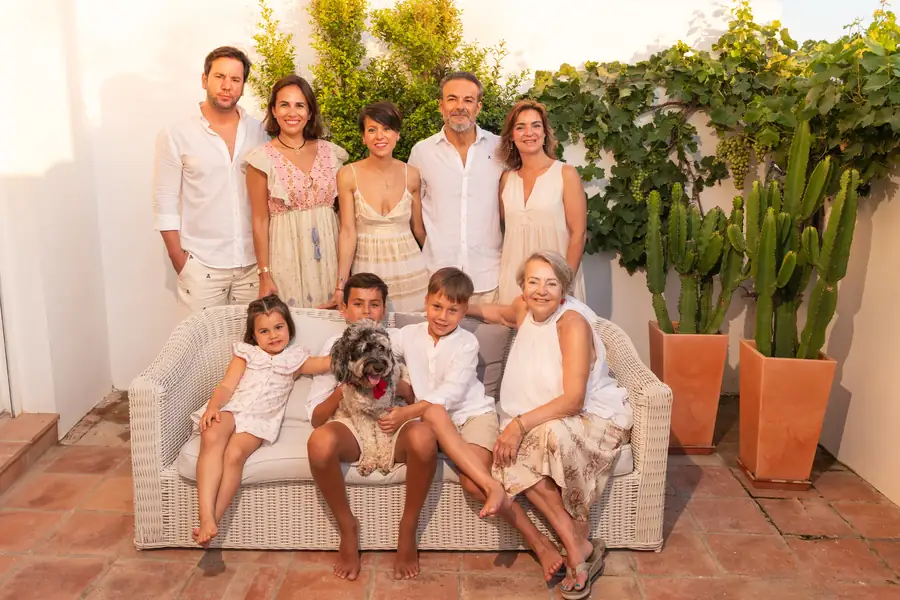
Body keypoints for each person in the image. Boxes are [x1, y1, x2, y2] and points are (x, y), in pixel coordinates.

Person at [467, 250, 632, 600]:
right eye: (533, 282)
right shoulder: (523, 309)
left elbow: (573, 400)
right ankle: (576, 545)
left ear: (564, 289)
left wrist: (518, 425)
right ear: (522, 288)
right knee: (515, 448)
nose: (541, 291)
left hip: (589, 416)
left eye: (551, 283)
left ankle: (575, 543)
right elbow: (498, 312)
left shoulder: (572, 323)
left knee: (542, 437)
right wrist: (460, 306)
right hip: (537, 419)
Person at [387, 267, 567, 580]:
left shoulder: (466, 343)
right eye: (436, 307)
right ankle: (493, 487)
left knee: (472, 483)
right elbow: (374, 341)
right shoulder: (408, 335)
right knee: (433, 415)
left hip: (471, 416)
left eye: (453, 310)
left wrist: (406, 412)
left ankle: (538, 542)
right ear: (426, 302)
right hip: (433, 422)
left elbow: (450, 394)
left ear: (464, 310)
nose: (443, 316)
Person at [305, 273, 438, 581]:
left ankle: (408, 529)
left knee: (424, 438)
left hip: (398, 418)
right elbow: (317, 418)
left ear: (384, 308)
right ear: (344, 309)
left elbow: (422, 395)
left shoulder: (401, 340)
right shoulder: (335, 348)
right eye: (358, 303)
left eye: (374, 304)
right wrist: (345, 387)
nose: (366, 311)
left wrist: (400, 388)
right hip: (351, 423)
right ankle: (347, 528)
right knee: (319, 443)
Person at [189, 294, 332, 546]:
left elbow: (324, 364)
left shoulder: (295, 359)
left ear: (289, 327)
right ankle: (205, 514)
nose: (273, 335)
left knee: (234, 454)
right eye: (264, 331)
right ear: (254, 336)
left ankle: (213, 521)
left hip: (260, 420)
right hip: (233, 408)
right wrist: (213, 406)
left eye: (278, 327)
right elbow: (226, 386)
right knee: (211, 434)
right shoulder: (246, 354)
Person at [152, 46, 270, 311]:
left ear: (243, 86)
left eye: (235, 79)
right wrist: (179, 260)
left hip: (253, 266)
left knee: (251, 338)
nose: (227, 86)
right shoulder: (176, 134)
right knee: (203, 338)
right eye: (219, 77)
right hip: (201, 266)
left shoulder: (259, 132)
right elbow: (164, 201)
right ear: (204, 79)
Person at [246, 74, 348, 308]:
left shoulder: (331, 153)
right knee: (292, 323)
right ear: (273, 110)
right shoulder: (261, 159)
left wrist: (345, 274)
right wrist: (264, 275)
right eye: (285, 104)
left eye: (300, 105)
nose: (292, 113)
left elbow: (344, 216)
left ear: (310, 112)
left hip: (329, 254)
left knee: (331, 322)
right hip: (285, 256)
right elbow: (259, 220)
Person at [408, 72, 504, 304]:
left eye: (468, 100)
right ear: (441, 105)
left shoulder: (500, 149)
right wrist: (432, 247)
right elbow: (414, 213)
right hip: (437, 277)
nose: (460, 106)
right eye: (452, 99)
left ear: (478, 107)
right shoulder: (422, 152)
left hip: (489, 277)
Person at [327, 101, 428, 312]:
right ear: (363, 137)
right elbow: (347, 232)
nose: (379, 136)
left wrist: (439, 271)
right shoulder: (348, 175)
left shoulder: (412, 175)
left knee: (413, 328)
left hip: (412, 272)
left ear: (397, 134)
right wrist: (340, 286)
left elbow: (419, 230)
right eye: (372, 130)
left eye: (387, 128)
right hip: (368, 271)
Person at [496, 100, 587, 304]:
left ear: (545, 132)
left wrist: (563, 284)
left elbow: (578, 234)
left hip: (555, 283)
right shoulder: (506, 180)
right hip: (513, 281)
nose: (529, 133)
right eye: (520, 127)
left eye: (536, 125)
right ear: (511, 136)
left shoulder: (565, 174)